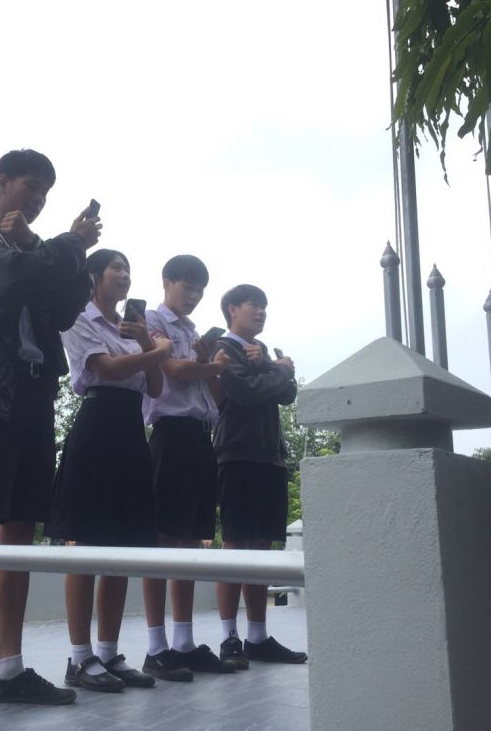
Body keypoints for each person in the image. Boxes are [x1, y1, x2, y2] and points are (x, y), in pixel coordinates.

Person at [0, 148, 100, 728]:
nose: (37, 200)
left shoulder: (33, 255)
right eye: (31, 187)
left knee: (20, 532)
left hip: (33, 393)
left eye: (45, 194)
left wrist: (60, 254)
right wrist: (67, 243)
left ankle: (8, 669)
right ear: (3, 182)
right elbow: (2, 285)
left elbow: (62, 311)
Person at [46, 249, 171, 693]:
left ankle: (108, 652)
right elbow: (107, 368)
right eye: (116, 267)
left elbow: (156, 387)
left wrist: (147, 344)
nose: (125, 275)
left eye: (128, 269)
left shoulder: (133, 328)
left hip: (131, 433)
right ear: (95, 276)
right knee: (85, 545)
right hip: (97, 428)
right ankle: (79, 658)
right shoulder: (80, 318)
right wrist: (159, 351)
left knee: (122, 548)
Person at [141, 255, 237, 679]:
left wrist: (208, 364)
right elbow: (173, 371)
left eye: (200, 290)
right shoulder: (151, 321)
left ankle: (183, 641)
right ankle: (156, 646)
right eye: (187, 287)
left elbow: (216, 395)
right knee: (163, 540)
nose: (194, 296)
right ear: (167, 282)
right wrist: (210, 365)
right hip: (170, 433)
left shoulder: (194, 332)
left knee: (191, 541)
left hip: (199, 435)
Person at [213, 284, 307, 664]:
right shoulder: (221, 347)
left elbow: (288, 394)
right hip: (237, 455)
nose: (262, 311)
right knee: (235, 544)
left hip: (270, 458)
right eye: (254, 305)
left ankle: (257, 637)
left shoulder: (261, 351)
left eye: (265, 306)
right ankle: (229, 639)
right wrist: (280, 370)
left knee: (261, 548)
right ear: (232, 309)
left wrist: (269, 366)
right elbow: (245, 392)